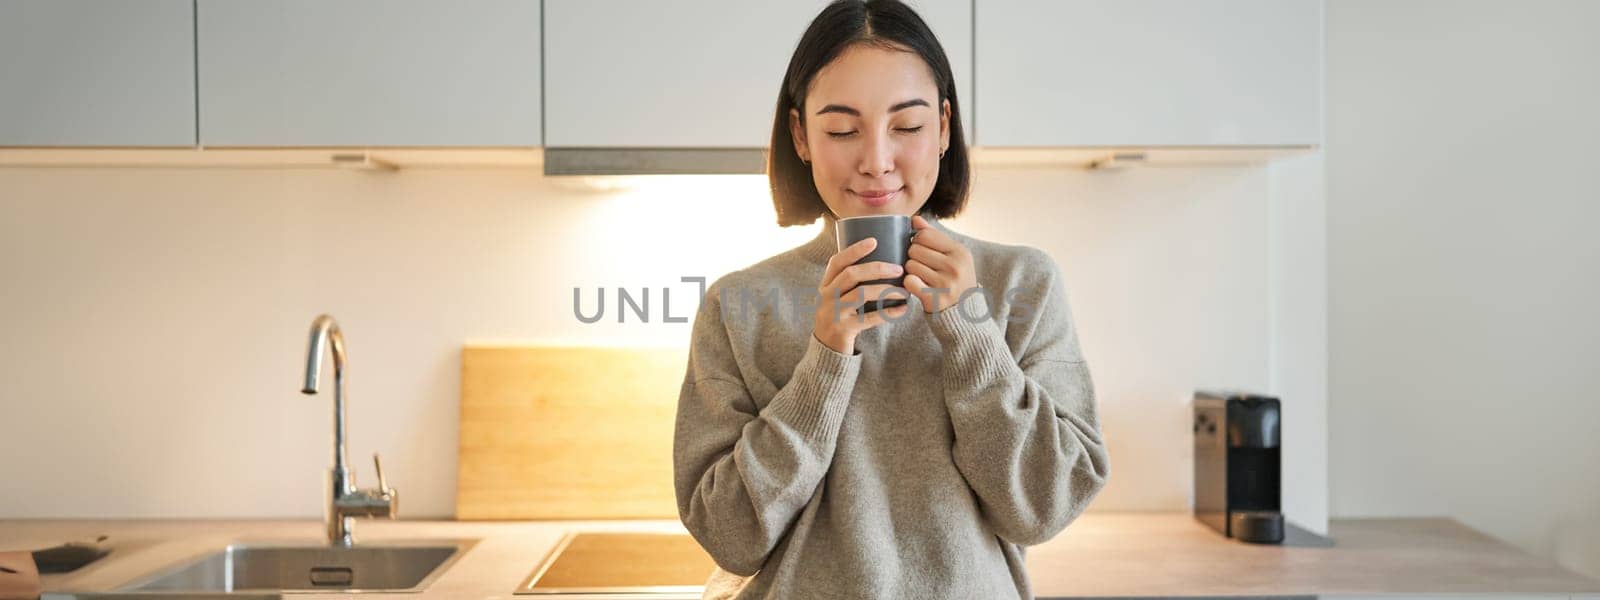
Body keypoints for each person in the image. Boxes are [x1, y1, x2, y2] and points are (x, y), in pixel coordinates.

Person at [672, 1, 1111, 597]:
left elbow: (1043, 508)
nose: (876, 161)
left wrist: (972, 334)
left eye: (906, 126)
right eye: (842, 129)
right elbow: (729, 535)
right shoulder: (737, 304)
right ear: (801, 135)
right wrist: (825, 359)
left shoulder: (1021, 283)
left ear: (944, 129)